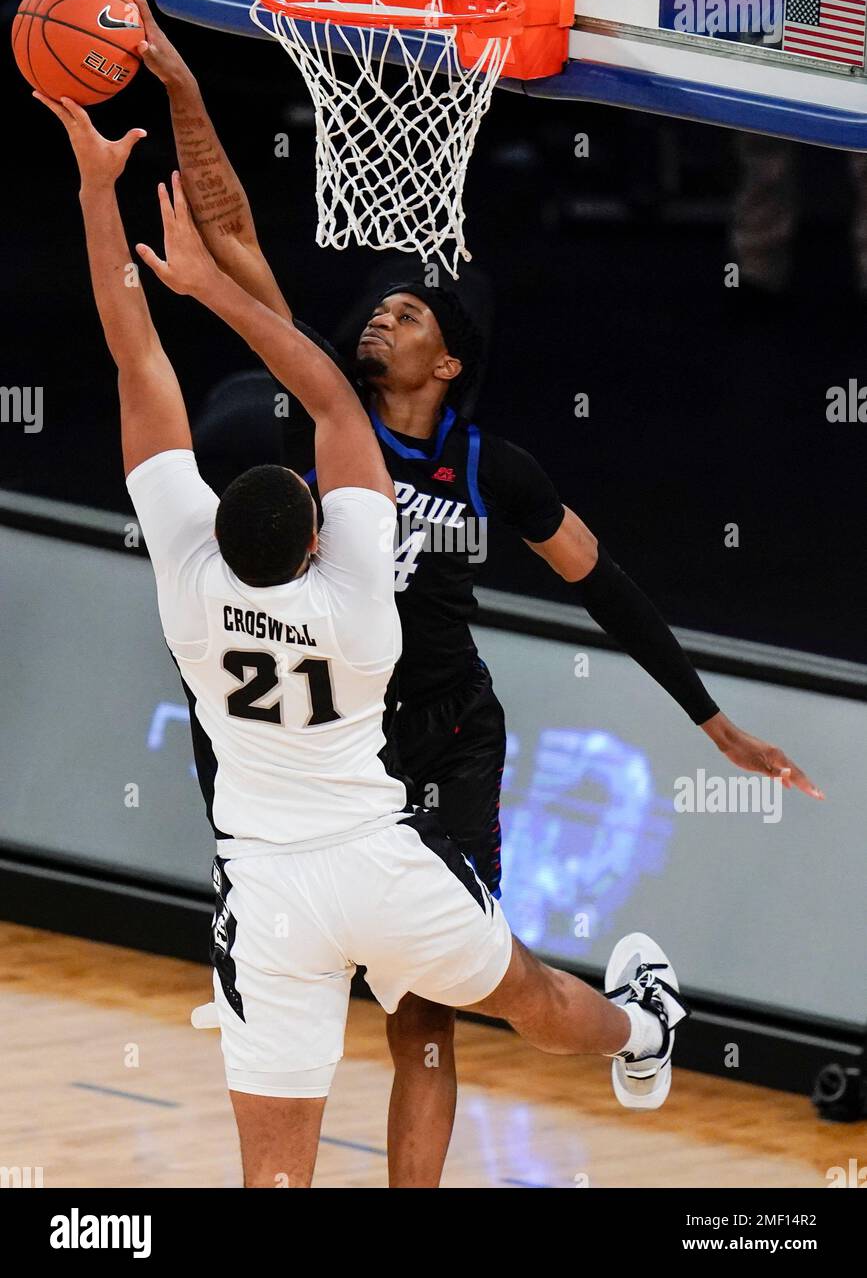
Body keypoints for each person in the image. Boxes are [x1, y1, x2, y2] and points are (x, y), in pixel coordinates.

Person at [110, 0, 824, 1188]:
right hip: (326, 749)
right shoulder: (318, 422)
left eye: (409, 309)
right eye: (379, 305)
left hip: (442, 736)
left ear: (450, 357)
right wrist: (182, 85)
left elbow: (610, 589)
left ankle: (628, 1028)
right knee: (351, 987)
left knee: (427, 1013)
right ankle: (593, 1022)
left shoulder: (497, 467)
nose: (381, 313)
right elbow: (228, 230)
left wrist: (713, 717)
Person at [35, 88, 693, 1187]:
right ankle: (643, 1030)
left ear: (217, 523)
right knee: (531, 999)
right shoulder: (359, 604)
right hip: (386, 865)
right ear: (320, 536)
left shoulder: (187, 586)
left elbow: (132, 360)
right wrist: (190, 272)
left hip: (270, 889)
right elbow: (335, 405)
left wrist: (100, 193)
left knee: (276, 1177)